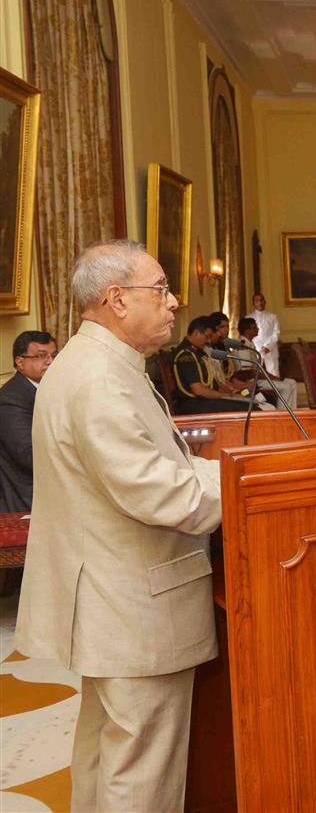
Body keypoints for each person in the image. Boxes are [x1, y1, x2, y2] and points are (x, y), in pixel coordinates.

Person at [16, 239, 222, 810]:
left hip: (115, 596)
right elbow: (158, 493)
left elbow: (155, 467)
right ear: (116, 299)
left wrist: (209, 473)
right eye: (160, 288)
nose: (175, 300)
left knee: (107, 754)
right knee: (141, 768)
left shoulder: (97, 363)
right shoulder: (101, 378)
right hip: (133, 603)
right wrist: (241, 486)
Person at [1, 330, 56, 512]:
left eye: (53, 355)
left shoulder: (52, 388)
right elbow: (28, 455)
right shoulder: (10, 399)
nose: (50, 362)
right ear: (20, 361)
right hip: (26, 498)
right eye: (41, 356)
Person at [172, 317, 253, 414]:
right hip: (194, 404)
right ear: (196, 333)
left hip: (206, 400)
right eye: (207, 337)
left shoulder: (198, 352)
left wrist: (234, 393)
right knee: (250, 409)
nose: (209, 341)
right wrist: (226, 396)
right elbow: (199, 390)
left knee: (251, 401)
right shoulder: (186, 356)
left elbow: (215, 383)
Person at [239, 317, 299, 410]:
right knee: (286, 387)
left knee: (292, 382)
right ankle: (281, 416)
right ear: (247, 331)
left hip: (257, 378)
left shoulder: (250, 344)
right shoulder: (243, 346)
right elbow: (249, 372)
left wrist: (272, 377)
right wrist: (271, 378)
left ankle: (292, 412)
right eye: (254, 327)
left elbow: (258, 368)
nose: (258, 329)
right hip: (252, 382)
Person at [251, 292, 282, 377]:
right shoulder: (249, 318)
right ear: (253, 303)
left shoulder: (273, 316)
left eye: (261, 300)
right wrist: (258, 347)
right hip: (255, 350)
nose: (260, 303)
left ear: (265, 302)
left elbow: (276, 332)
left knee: (274, 375)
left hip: (271, 350)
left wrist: (267, 346)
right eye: (257, 301)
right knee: (256, 376)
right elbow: (249, 335)